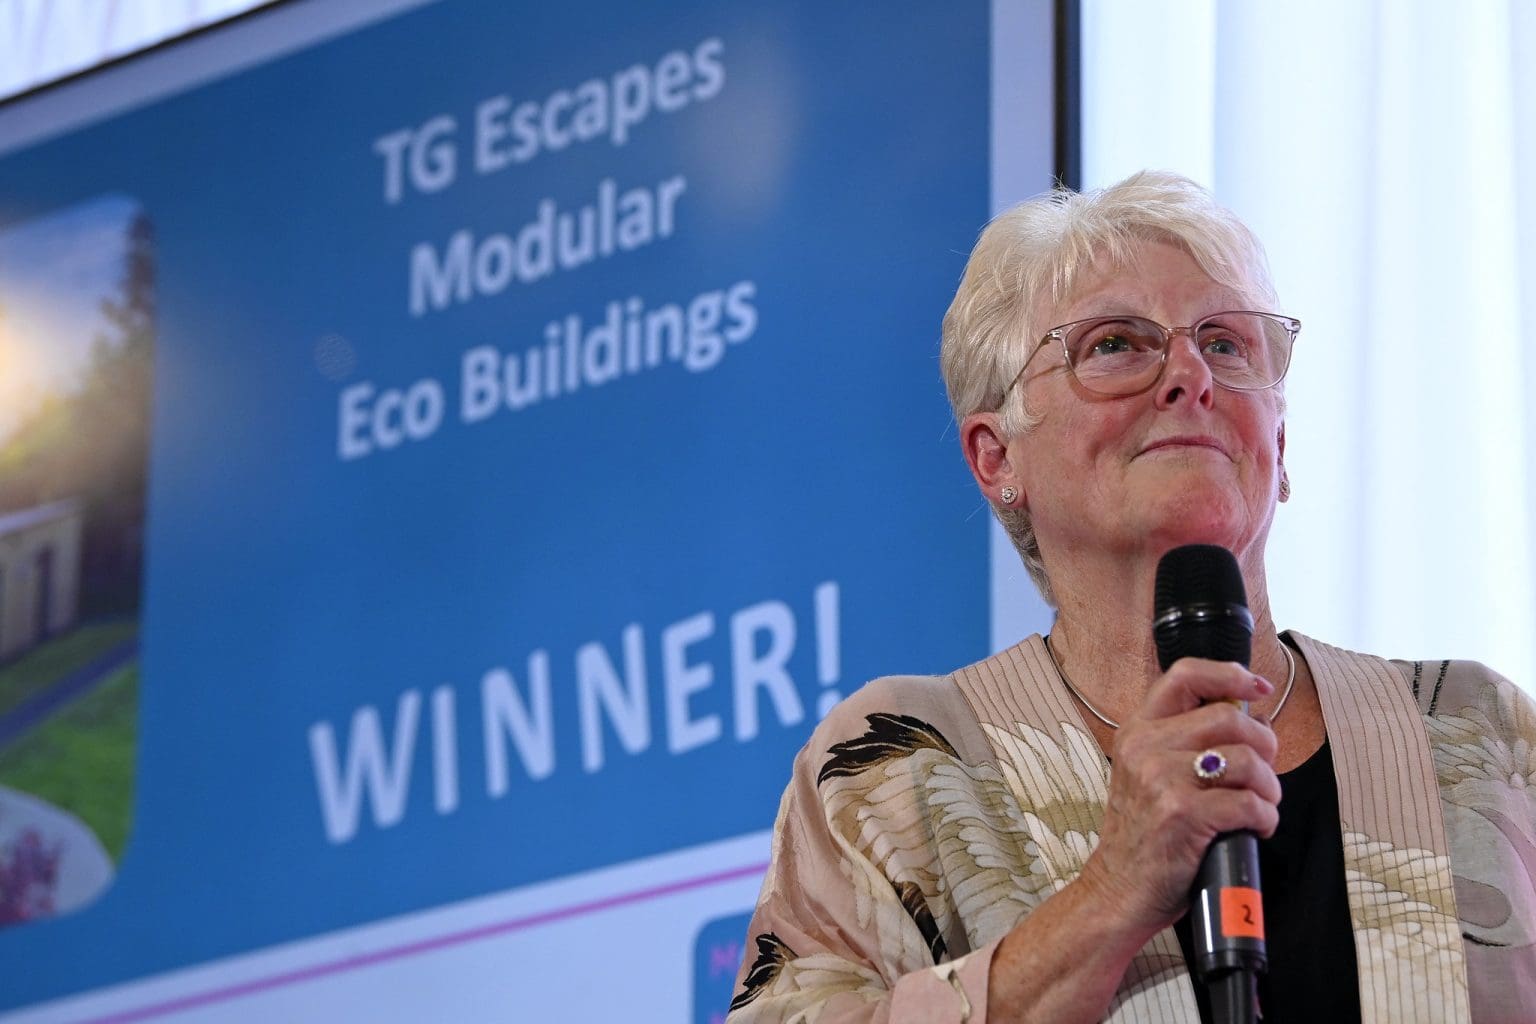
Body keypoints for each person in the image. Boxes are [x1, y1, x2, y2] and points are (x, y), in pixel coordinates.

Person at [725, 172, 1536, 1023]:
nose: (1191, 375)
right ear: (997, 456)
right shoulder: (897, 767)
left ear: (1280, 440)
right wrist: (1111, 892)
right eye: (1116, 344)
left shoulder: (1480, 734)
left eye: (1226, 344)